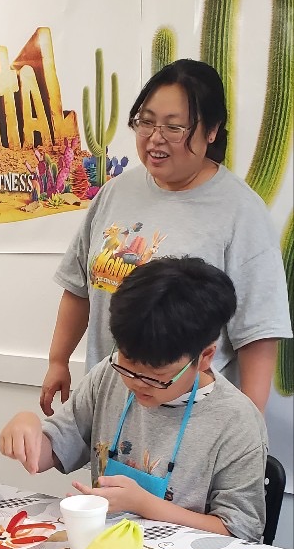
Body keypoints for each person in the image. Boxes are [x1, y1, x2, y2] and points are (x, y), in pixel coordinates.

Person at [40, 59, 291, 418]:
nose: (156, 138)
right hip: (111, 409)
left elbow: (258, 334)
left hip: (192, 420)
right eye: (146, 122)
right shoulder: (116, 192)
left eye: (174, 127)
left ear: (211, 131)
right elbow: (78, 286)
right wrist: (58, 360)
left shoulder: (241, 212)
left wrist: (249, 426)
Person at [1, 257, 268, 543]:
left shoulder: (236, 421)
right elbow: (50, 454)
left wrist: (145, 505)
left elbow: (241, 531)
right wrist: (27, 428)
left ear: (204, 357)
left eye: (157, 376)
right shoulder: (108, 376)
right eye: (127, 365)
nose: (136, 383)